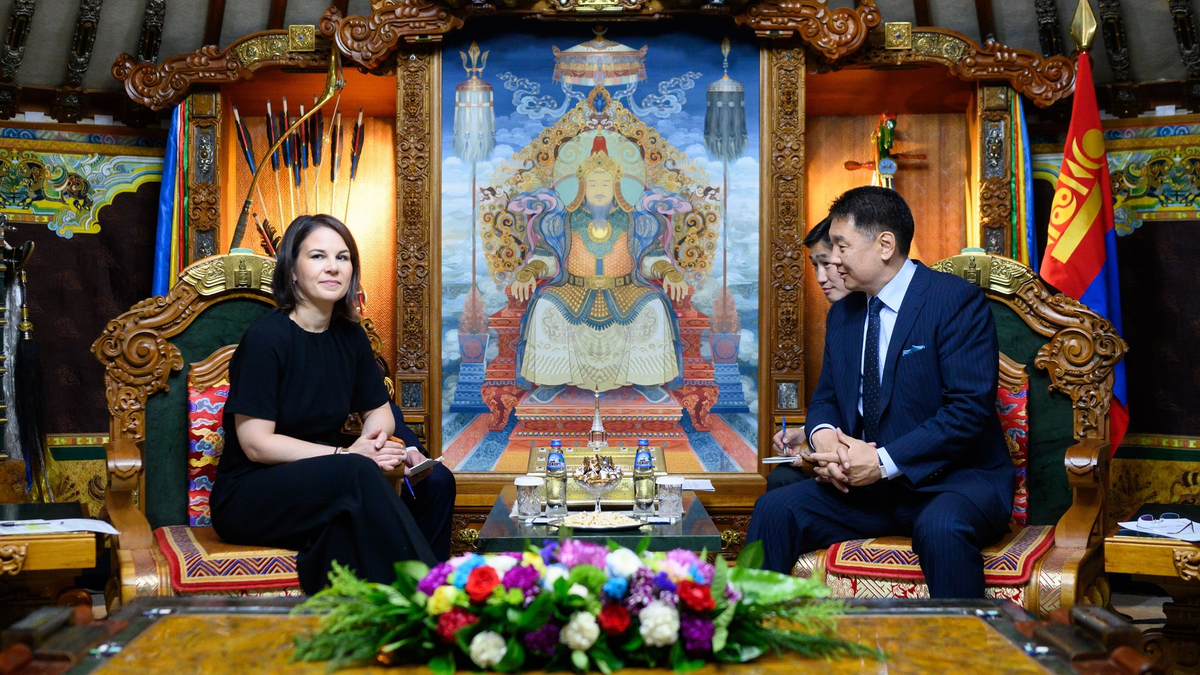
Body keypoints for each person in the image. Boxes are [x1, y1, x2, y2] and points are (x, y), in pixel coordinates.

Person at [747, 186, 1012, 598]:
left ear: (884, 244)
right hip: (870, 491)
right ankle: (750, 640)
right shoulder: (844, 314)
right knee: (774, 509)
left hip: (955, 482)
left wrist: (883, 461)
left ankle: (964, 654)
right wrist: (826, 440)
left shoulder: (955, 301)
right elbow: (827, 399)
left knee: (939, 527)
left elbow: (967, 412)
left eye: (840, 245)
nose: (832, 259)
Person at [210, 214, 455, 595]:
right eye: (318, 256)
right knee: (356, 473)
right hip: (251, 494)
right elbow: (256, 444)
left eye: (342, 258)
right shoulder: (266, 339)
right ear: (292, 270)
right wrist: (346, 454)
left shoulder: (350, 336)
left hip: (326, 482)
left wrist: (374, 445)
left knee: (435, 481)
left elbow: (379, 411)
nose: (332, 267)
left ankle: (400, 605)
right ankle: (433, 596)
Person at [508, 134, 689, 396]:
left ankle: (647, 380)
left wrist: (669, 272)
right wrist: (528, 272)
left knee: (654, 306)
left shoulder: (636, 221)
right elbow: (547, 257)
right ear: (582, 187)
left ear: (617, 186)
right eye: (593, 184)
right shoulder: (563, 221)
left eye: (606, 183)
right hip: (572, 289)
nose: (600, 189)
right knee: (546, 304)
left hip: (626, 289)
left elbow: (650, 257)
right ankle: (551, 380)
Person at [766, 216, 851, 492]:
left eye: (826, 264)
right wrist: (806, 433)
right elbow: (830, 398)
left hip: (873, 457)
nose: (820, 277)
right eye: (815, 266)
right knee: (781, 478)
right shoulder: (839, 314)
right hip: (836, 449)